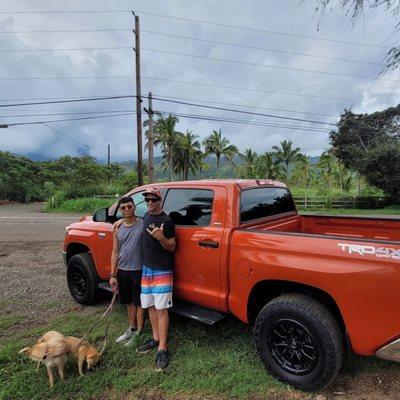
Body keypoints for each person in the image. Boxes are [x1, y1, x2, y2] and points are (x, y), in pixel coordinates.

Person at [136, 187, 176, 372]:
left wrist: (161, 238)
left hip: (161, 270)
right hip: (147, 270)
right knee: (151, 306)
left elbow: (172, 247)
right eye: (147, 200)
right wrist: (120, 223)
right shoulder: (146, 217)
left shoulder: (166, 221)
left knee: (161, 309)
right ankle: (155, 338)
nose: (150, 203)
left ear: (160, 200)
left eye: (154, 200)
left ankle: (163, 349)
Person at [109, 196, 145, 346]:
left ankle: (139, 332)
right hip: (123, 270)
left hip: (138, 270)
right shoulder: (117, 227)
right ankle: (131, 328)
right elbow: (115, 251)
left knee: (139, 303)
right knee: (129, 302)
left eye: (129, 206)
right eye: (123, 208)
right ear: (120, 210)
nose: (127, 210)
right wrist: (113, 274)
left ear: (134, 207)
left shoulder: (143, 224)